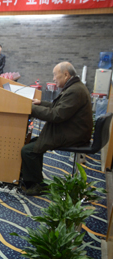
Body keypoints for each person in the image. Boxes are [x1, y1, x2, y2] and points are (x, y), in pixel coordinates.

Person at [21, 62, 92, 196]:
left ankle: (36, 185)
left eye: (55, 75)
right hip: (72, 131)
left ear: (66, 75)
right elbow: (58, 107)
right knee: (33, 143)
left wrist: (31, 108)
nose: (53, 79)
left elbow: (56, 115)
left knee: (28, 151)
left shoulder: (74, 91)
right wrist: (40, 103)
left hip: (73, 135)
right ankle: (37, 180)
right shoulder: (75, 87)